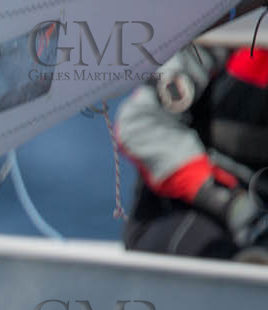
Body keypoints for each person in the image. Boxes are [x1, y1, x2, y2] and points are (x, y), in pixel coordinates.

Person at [114, 42, 268, 260]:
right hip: (180, 213)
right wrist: (231, 203)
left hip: (258, 223)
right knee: (222, 261)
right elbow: (139, 124)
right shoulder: (221, 37)